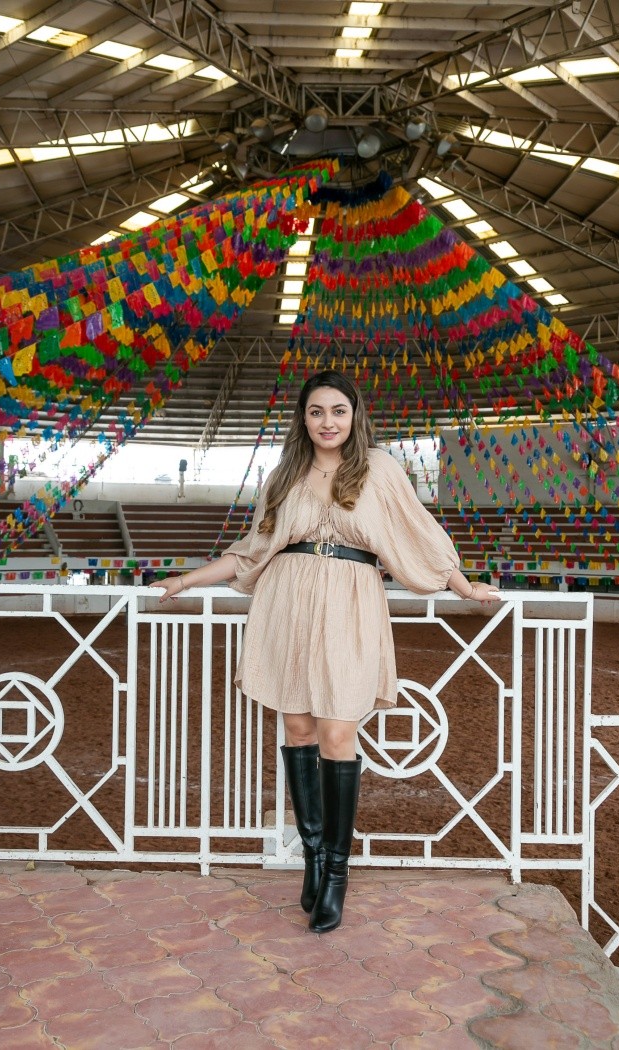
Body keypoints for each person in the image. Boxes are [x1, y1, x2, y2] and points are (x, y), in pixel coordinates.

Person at [151, 370, 501, 933]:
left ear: (355, 415)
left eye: (338, 411)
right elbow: (252, 552)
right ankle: (313, 857)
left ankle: (337, 871)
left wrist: (464, 587)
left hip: (350, 602)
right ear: (303, 418)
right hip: (287, 601)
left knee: (338, 731)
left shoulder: (379, 469)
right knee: (298, 729)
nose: (328, 422)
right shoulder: (284, 474)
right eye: (316, 412)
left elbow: (417, 532)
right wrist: (184, 581)